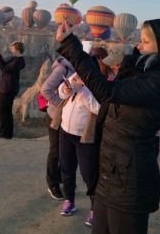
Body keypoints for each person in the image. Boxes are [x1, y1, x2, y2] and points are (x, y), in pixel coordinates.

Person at [56, 18, 160, 234]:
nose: (139, 46)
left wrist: (71, 46)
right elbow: (118, 86)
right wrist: (133, 59)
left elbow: (107, 92)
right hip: (110, 172)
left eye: (145, 42)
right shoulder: (147, 74)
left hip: (129, 179)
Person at [57, 73, 100, 228]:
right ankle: (69, 200)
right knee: (66, 168)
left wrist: (82, 89)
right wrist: (68, 88)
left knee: (89, 173)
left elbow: (99, 108)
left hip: (84, 137)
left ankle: (96, 209)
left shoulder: (97, 82)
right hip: (65, 132)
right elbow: (61, 93)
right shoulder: (75, 76)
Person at [40, 56, 75, 200]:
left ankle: (60, 176)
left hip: (67, 116)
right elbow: (45, 90)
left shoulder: (74, 69)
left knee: (65, 148)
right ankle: (52, 183)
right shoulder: (62, 69)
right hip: (56, 115)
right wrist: (61, 104)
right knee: (55, 150)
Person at [0, 41, 26, 139]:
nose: (11, 50)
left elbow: (5, 69)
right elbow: (6, 66)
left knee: (1, 110)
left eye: (12, 48)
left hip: (7, 88)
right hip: (10, 87)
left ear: (17, 49)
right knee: (6, 111)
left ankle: (3, 132)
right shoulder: (17, 59)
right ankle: (7, 133)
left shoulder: (17, 60)